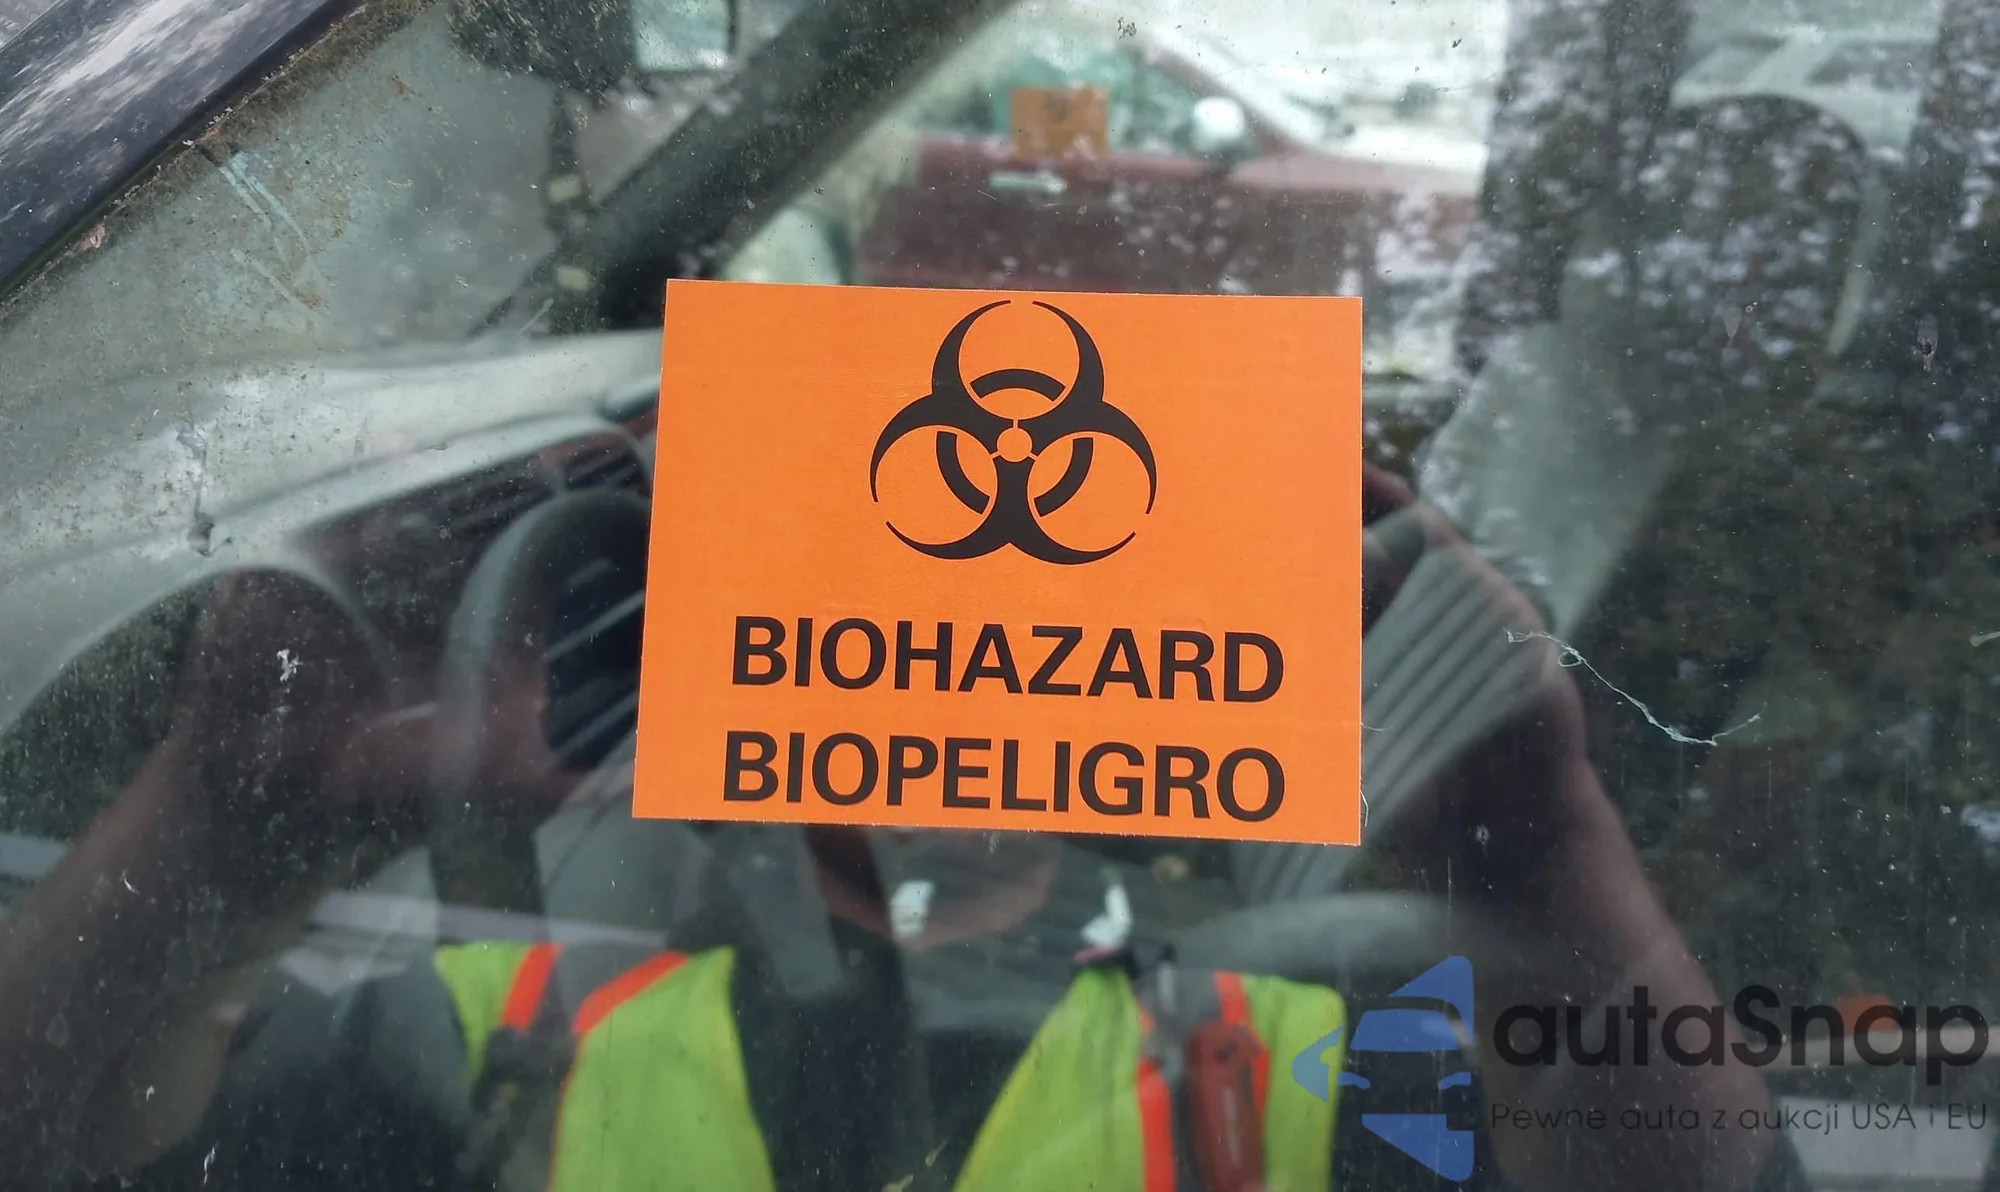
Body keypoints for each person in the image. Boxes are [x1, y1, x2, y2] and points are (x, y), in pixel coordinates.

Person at [0, 472, 1802, 1192]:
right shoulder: (477, 1031)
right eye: (884, 563)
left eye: (1051, 581)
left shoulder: (1326, 1057)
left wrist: (1553, 874)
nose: (968, 637)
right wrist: (218, 821)